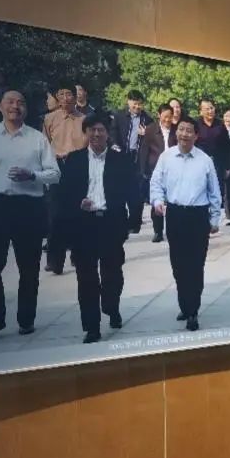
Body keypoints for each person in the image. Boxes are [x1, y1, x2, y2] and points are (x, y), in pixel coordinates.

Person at [0, 90, 60, 342]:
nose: (16, 106)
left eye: (21, 102)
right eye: (10, 102)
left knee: (29, 269)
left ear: (26, 109)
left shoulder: (37, 138)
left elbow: (55, 174)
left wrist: (32, 175)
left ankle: (26, 319)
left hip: (28, 208)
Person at [57, 112, 138, 343]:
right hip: (84, 225)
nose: (96, 134)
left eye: (100, 130)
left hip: (111, 223)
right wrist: (77, 203)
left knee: (113, 273)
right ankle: (91, 327)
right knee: (86, 278)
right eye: (91, 130)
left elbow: (133, 191)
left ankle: (111, 306)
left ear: (107, 133)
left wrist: (133, 221)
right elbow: (63, 194)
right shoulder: (74, 160)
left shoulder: (120, 160)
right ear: (86, 133)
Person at [149, 119, 222, 331]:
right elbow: (156, 183)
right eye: (181, 129)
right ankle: (185, 303)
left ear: (196, 136)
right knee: (178, 265)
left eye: (189, 131)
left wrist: (214, 219)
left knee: (196, 265)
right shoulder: (166, 157)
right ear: (176, 133)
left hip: (198, 216)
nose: (184, 134)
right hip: (175, 215)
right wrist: (157, 201)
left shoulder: (205, 161)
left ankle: (192, 311)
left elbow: (214, 192)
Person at [42, 83, 87, 274]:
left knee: (79, 214)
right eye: (61, 94)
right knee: (55, 215)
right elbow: (45, 144)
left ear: (75, 97)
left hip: (78, 166)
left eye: (69, 94)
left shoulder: (84, 119)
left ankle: (78, 255)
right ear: (57, 98)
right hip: (57, 166)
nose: (66, 98)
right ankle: (54, 260)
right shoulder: (49, 119)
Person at [109, 89, 154, 232]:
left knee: (137, 193)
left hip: (138, 158)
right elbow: (112, 133)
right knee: (121, 190)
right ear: (128, 102)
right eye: (135, 103)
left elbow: (152, 139)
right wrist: (114, 145)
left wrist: (145, 134)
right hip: (122, 156)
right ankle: (121, 221)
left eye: (140, 104)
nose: (137, 107)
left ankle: (135, 223)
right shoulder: (119, 116)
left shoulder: (147, 119)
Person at [138, 104, 178, 242]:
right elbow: (144, 150)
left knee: (173, 201)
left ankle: (172, 230)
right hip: (156, 169)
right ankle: (158, 231)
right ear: (159, 115)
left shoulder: (176, 130)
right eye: (165, 116)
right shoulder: (151, 129)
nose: (167, 120)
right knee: (157, 200)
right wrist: (143, 170)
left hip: (174, 170)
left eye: (170, 117)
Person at [194, 96, 228, 196]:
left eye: (211, 108)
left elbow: (226, 146)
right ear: (201, 111)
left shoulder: (220, 125)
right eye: (207, 109)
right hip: (200, 164)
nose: (210, 111)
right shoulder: (196, 124)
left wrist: (227, 166)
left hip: (217, 164)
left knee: (217, 192)